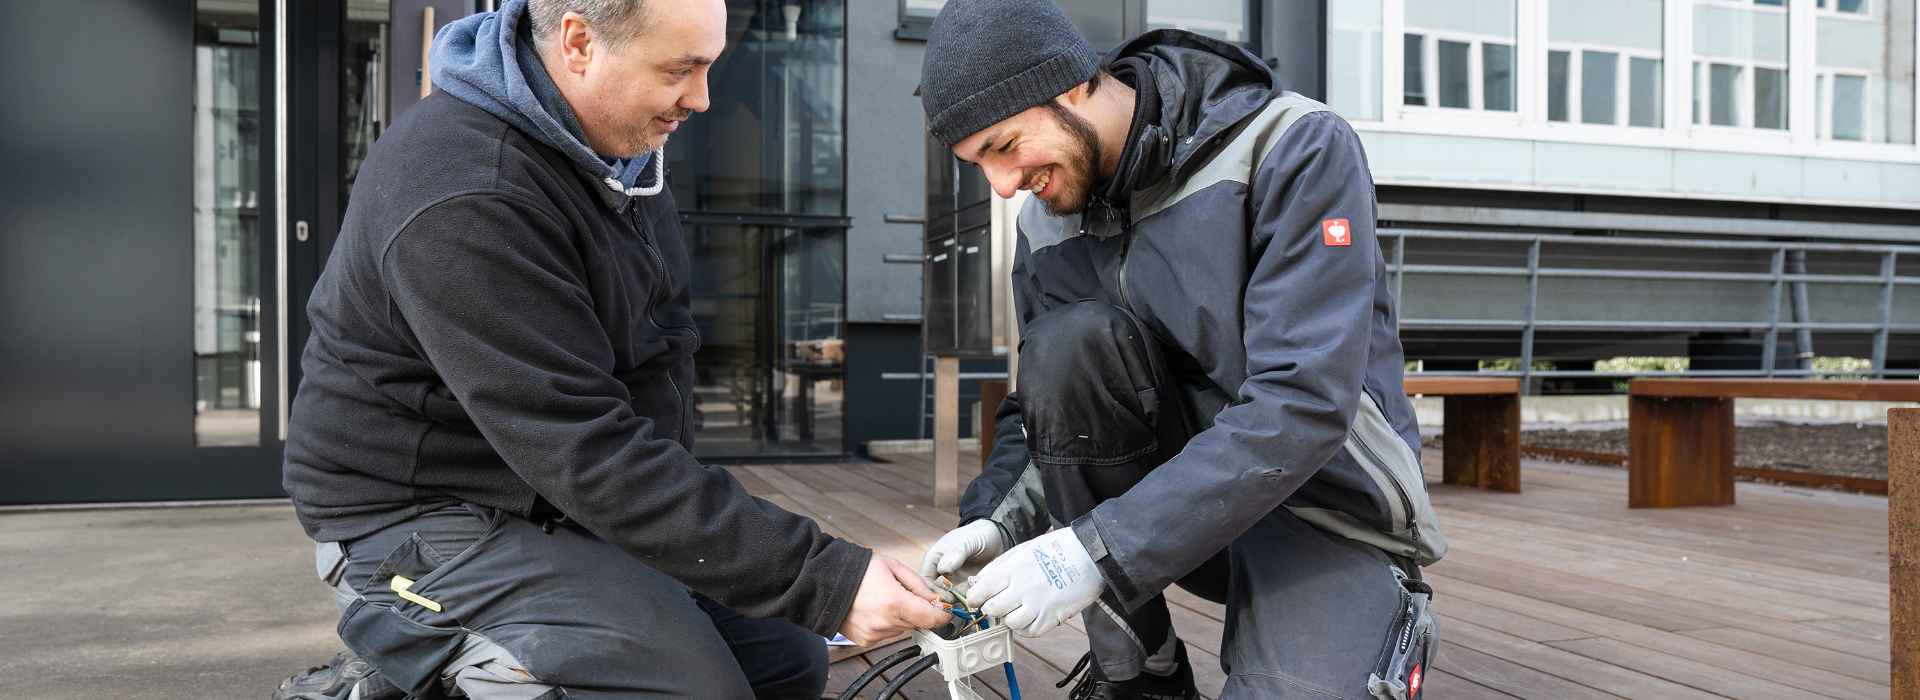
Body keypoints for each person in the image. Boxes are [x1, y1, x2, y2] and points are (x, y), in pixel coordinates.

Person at [273, 1, 946, 698]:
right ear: (578, 43)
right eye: (680, 69)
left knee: (783, 658)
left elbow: (655, 361)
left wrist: (755, 566)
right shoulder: (468, 189)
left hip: (545, 490)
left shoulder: (616, 154)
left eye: (708, 66)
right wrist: (823, 576)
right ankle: (406, 668)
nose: (702, 98)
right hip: (417, 515)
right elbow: (582, 446)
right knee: (683, 689)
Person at [913, 2, 1448, 698]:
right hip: (1160, 527)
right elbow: (1042, 406)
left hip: (1324, 508)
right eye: (978, 164)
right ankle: (1140, 673)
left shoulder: (1292, 147)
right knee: (1064, 345)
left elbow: (1304, 403)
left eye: (1004, 146)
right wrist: (994, 519)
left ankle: (1371, 616)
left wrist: (1093, 550)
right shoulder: (1048, 229)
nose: (1004, 185)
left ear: (1071, 84)